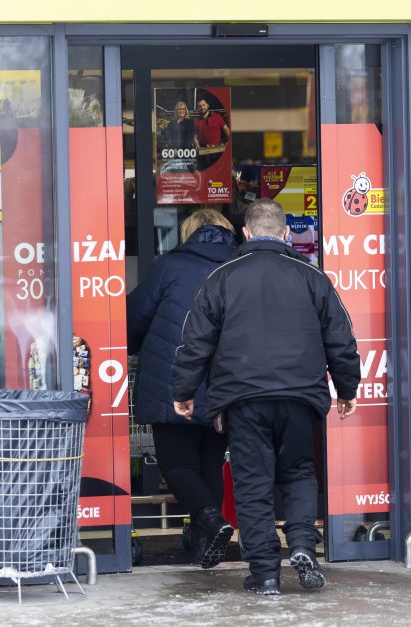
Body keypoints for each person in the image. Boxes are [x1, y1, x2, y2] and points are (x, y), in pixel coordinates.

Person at [171, 199, 360, 595]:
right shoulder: (312, 277)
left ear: (246, 233)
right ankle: (304, 546)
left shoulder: (221, 277)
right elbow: (341, 337)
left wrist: (184, 391)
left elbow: (195, 341)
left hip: (243, 399)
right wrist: (347, 388)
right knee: (299, 473)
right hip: (299, 397)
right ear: (286, 233)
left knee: (253, 483)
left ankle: (266, 574)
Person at [127, 209, 237, 569]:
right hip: (226, 379)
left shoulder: (169, 267)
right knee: (209, 464)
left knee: (176, 464)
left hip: (171, 378)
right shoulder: (241, 266)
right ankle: (206, 547)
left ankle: (210, 518)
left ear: (189, 233)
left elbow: (134, 319)